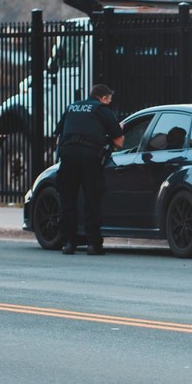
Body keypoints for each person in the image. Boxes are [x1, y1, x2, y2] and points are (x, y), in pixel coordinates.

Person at [53, 83, 124, 255]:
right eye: (109, 99)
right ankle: (93, 244)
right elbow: (120, 142)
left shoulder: (72, 107)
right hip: (89, 157)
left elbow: (58, 135)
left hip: (68, 155)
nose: (110, 102)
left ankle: (68, 243)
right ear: (104, 98)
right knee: (92, 200)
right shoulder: (102, 110)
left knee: (68, 200)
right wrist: (112, 134)